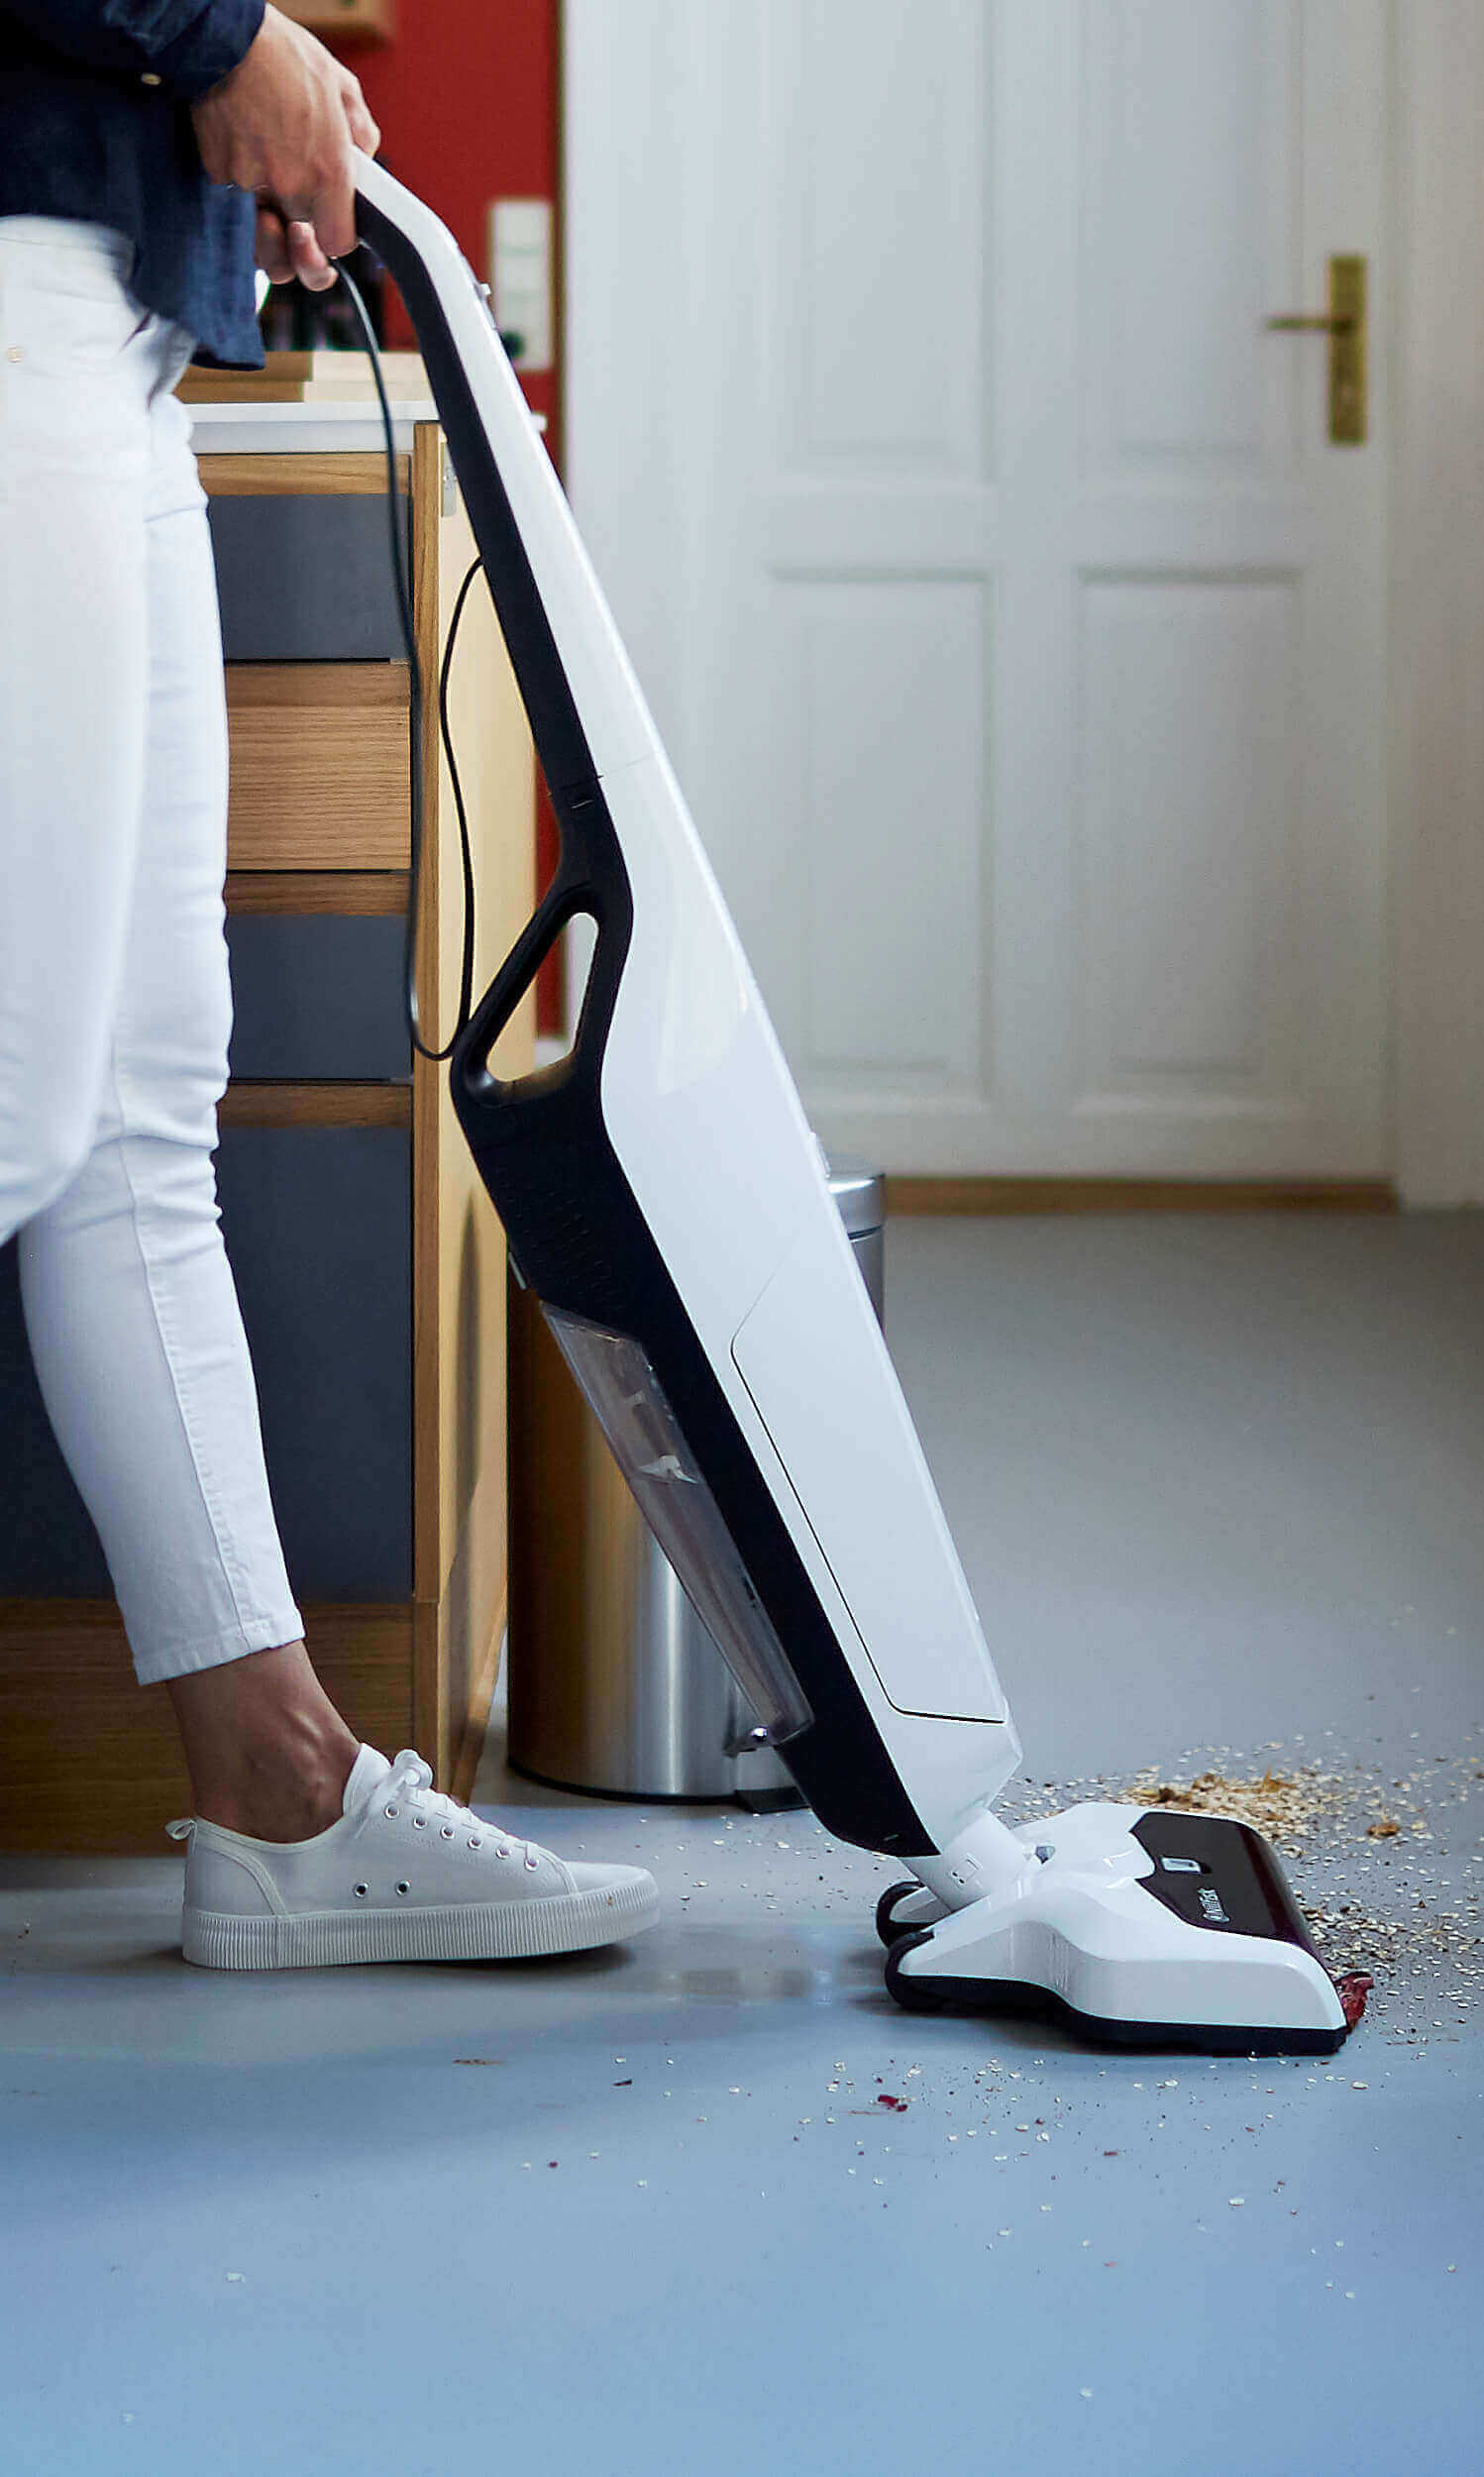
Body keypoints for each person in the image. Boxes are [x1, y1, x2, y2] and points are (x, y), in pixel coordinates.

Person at [0, 2, 657, 1964]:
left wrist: (228, 118)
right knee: (26, 1096)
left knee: (134, 1106)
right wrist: (221, 36)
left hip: (103, 313)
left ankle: (280, 1784)